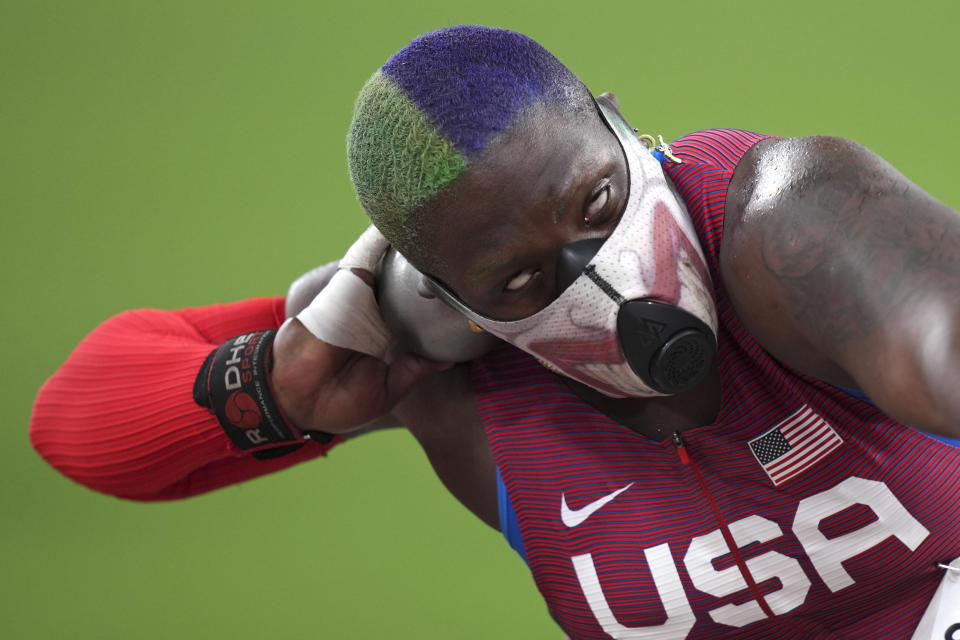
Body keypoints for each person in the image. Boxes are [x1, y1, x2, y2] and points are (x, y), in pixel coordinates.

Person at [29, 25, 960, 639]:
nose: (603, 278)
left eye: (598, 203)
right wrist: (284, 389)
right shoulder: (441, 367)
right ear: (444, 301)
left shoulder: (792, 223)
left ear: (619, 126)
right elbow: (78, 430)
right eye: (518, 280)